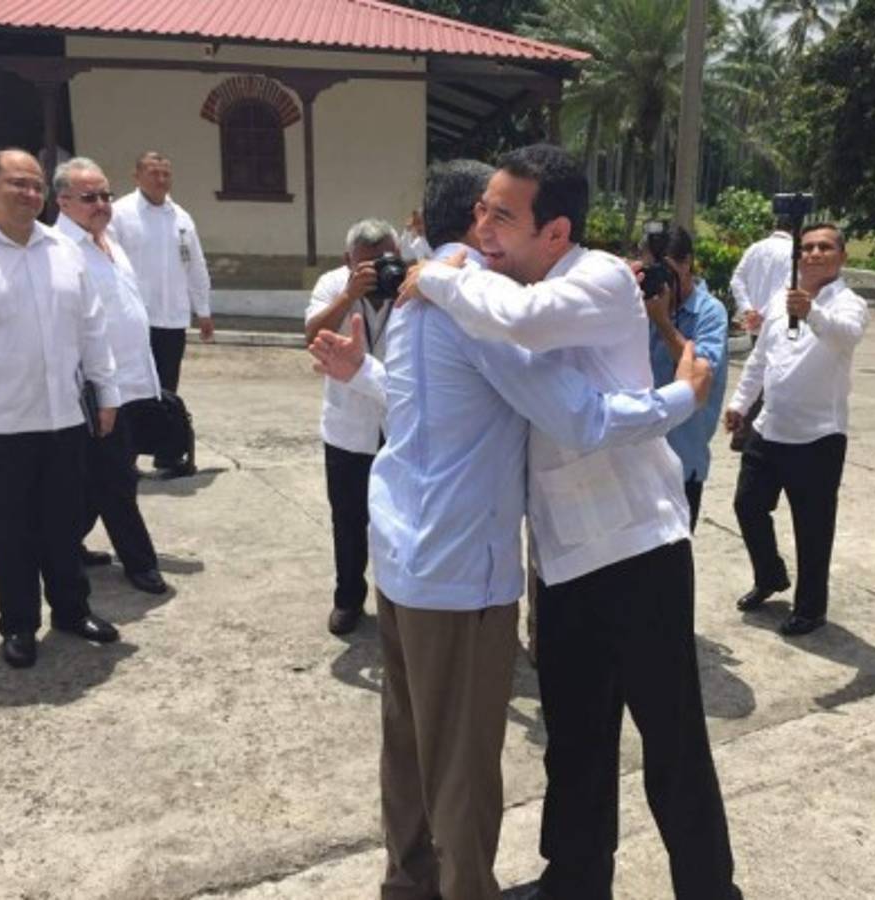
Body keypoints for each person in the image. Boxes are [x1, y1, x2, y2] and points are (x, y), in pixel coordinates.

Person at [310, 158, 711, 900]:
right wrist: (377, 354)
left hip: (631, 545)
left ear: (550, 231)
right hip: (536, 558)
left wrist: (682, 398)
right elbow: (442, 407)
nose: (487, 229)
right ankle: (572, 882)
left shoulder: (559, 283)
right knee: (562, 742)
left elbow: (558, 394)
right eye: (482, 214)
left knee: (670, 740)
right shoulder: (461, 298)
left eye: (502, 216)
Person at [0, 148, 123, 668]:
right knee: (11, 532)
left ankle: (72, 610)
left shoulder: (62, 250)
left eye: (36, 185)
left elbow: (91, 328)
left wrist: (106, 393)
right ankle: (18, 624)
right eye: (18, 183)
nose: (30, 194)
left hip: (63, 417)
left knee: (63, 524)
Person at [726, 223, 869, 637]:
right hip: (770, 427)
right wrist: (739, 404)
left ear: (842, 256)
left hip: (818, 436)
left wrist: (811, 312)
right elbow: (760, 359)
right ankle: (770, 576)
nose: (814, 254)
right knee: (748, 505)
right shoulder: (779, 298)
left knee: (813, 527)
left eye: (825, 247)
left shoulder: (849, 304)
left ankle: (810, 609)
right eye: (807, 248)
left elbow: (847, 336)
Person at [54, 157, 169, 596]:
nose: (101, 204)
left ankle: (66, 542)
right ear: (63, 202)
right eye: (90, 197)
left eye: (105, 195)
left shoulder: (109, 242)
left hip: (133, 380)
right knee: (118, 479)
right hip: (97, 389)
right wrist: (101, 392)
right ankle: (140, 563)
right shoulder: (59, 251)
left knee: (96, 477)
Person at [303, 219, 398, 636]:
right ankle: (348, 599)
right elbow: (310, 334)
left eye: (387, 260)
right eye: (367, 264)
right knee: (348, 520)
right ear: (348, 261)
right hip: (348, 429)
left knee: (399, 521)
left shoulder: (409, 286)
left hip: (399, 424)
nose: (379, 271)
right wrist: (349, 294)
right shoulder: (332, 284)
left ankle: (399, 604)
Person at [111, 151, 211, 470]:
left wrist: (203, 310)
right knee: (132, 390)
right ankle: (126, 458)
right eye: (153, 173)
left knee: (166, 389)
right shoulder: (119, 214)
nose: (161, 179)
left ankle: (167, 453)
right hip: (133, 320)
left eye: (166, 173)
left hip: (172, 319)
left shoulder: (180, 217)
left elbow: (195, 265)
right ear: (137, 176)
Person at [643, 225, 729, 530]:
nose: (660, 280)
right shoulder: (641, 305)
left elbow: (698, 377)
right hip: (638, 458)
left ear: (687, 262)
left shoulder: (710, 312)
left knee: (675, 550)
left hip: (682, 459)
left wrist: (663, 323)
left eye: (665, 270)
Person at [729, 217, 794, 450]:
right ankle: (751, 430)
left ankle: (743, 428)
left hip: (756, 322)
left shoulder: (755, 248)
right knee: (768, 377)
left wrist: (749, 310)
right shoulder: (794, 252)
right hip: (776, 322)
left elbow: (737, 280)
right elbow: (787, 288)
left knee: (756, 370)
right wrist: (764, 313)